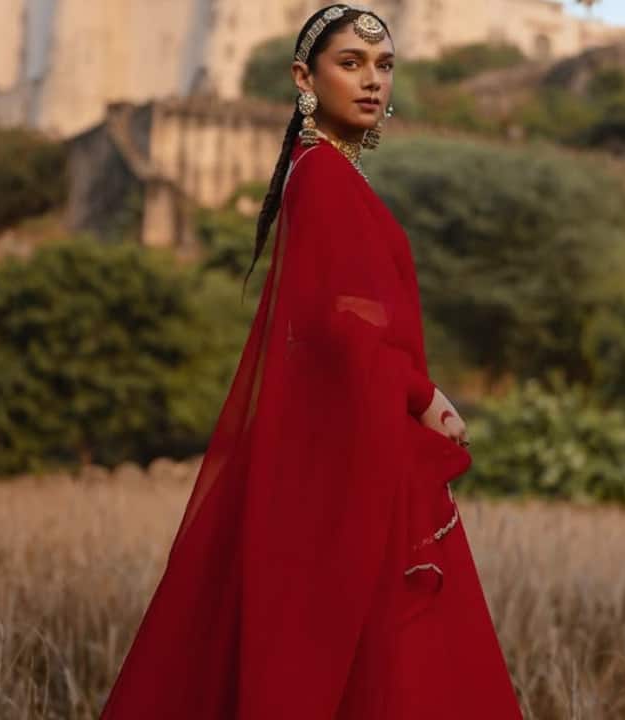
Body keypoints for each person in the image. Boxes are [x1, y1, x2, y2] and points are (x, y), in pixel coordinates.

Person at [99, 5, 523, 718]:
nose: (372, 81)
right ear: (304, 76)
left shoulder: (322, 172)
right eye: (349, 63)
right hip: (356, 445)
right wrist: (422, 396)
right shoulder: (322, 174)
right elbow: (336, 320)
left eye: (384, 66)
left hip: (352, 438)